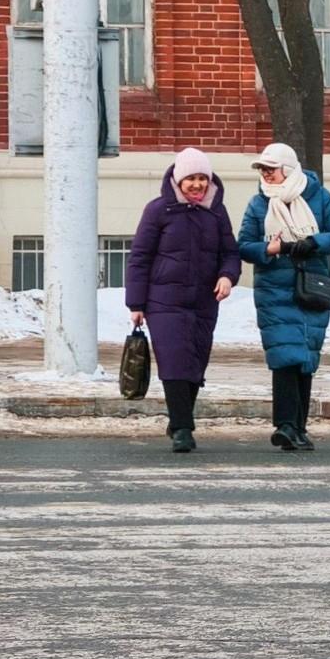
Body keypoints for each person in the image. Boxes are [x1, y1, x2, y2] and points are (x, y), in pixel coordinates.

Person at [126, 148, 241, 454]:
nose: (197, 184)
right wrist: (136, 304)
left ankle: (180, 416)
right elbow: (139, 259)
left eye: (202, 178)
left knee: (195, 363)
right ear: (178, 179)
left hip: (204, 300)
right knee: (174, 360)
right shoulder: (158, 210)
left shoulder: (216, 212)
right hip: (164, 300)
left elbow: (230, 253)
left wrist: (227, 276)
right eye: (191, 178)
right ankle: (182, 429)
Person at [237, 142, 330, 452]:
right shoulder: (258, 204)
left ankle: (298, 428)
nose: (266, 175)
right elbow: (244, 245)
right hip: (274, 288)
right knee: (284, 355)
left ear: (287, 169)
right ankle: (285, 425)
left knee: (305, 357)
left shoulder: (318, 196)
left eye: (270, 169)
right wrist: (269, 250)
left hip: (311, 287)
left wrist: (314, 242)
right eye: (262, 170)